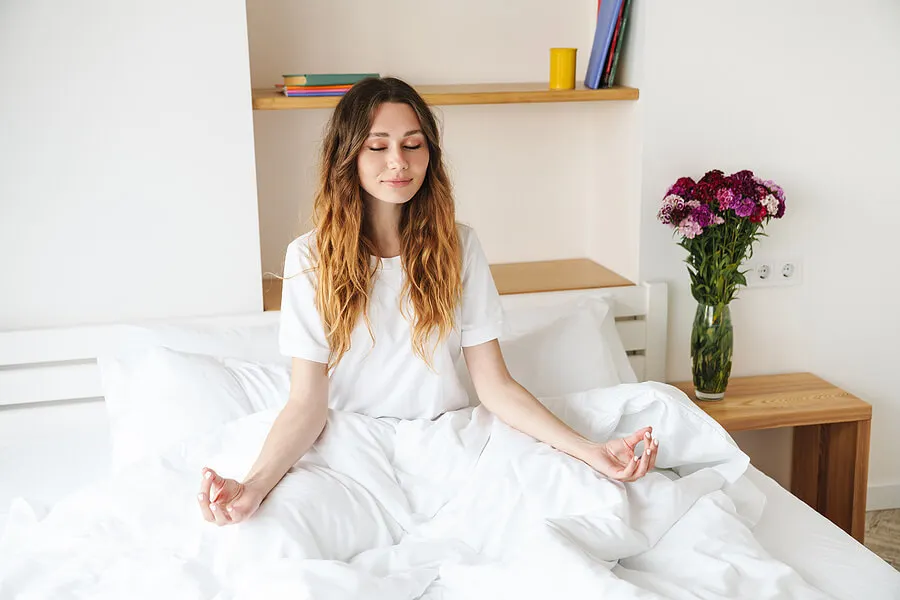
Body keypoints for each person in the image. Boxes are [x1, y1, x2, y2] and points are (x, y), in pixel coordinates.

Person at [197, 77, 658, 527]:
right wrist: (254, 486)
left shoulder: (458, 247)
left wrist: (587, 449)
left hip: (449, 442)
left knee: (592, 505)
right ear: (348, 156)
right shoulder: (310, 257)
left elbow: (494, 384)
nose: (398, 162)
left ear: (429, 155)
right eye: (377, 147)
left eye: (412, 145)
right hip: (351, 446)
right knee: (276, 536)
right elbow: (306, 404)